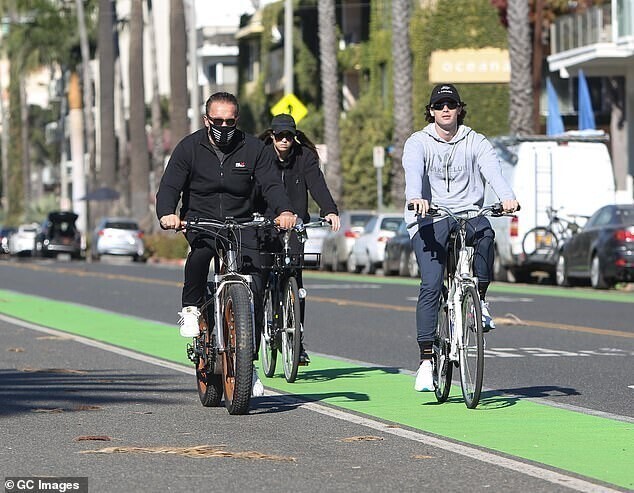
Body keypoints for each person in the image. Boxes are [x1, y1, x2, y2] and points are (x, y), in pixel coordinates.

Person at [156, 91, 297, 397]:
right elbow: (169, 186)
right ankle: (191, 308)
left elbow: (272, 183)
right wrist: (168, 213)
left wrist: (284, 211)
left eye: (229, 121)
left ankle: (248, 364)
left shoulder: (255, 148)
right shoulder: (189, 148)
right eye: (217, 120)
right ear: (207, 120)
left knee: (256, 281)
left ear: (237, 120)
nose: (223, 126)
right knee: (201, 254)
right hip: (201, 220)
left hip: (242, 223)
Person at [402, 83, 519, 392]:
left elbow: (493, 172)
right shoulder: (418, 142)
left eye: (450, 105)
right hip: (430, 217)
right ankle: (426, 361)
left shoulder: (475, 141)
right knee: (431, 282)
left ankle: (478, 299)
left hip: (468, 213)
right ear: (430, 112)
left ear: (458, 110)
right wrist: (416, 198)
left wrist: (507, 198)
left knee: (486, 232)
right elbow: (413, 172)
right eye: (439, 105)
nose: (445, 109)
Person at [255, 114, 341, 364]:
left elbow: (317, 185)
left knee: (295, 280)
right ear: (272, 136)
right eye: (279, 135)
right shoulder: (261, 155)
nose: (284, 140)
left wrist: (329, 210)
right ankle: (257, 337)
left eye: (288, 136)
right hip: (265, 223)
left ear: (294, 136)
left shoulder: (305, 157)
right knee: (259, 279)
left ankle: (296, 340)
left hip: (296, 225)